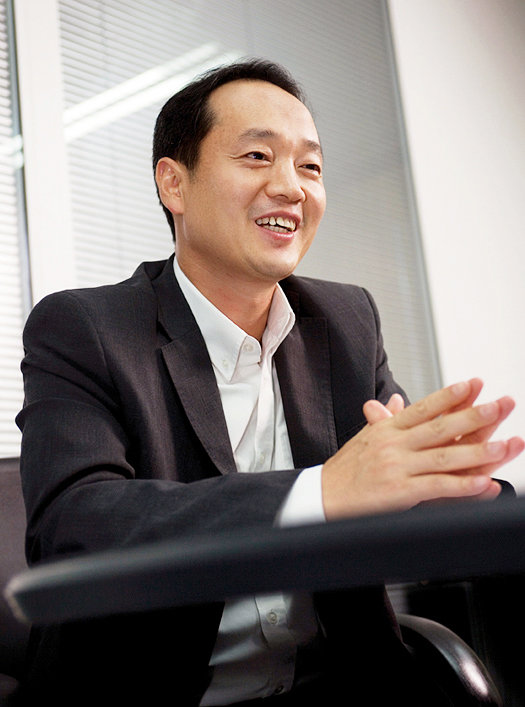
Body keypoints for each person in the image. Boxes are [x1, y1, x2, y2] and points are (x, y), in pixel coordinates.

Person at [17, 59, 523, 706]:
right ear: (174, 184)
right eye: (257, 156)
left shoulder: (345, 319)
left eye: (310, 166)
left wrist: (459, 487)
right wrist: (320, 492)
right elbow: (74, 526)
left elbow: (389, 486)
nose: (290, 187)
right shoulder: (85, 327)